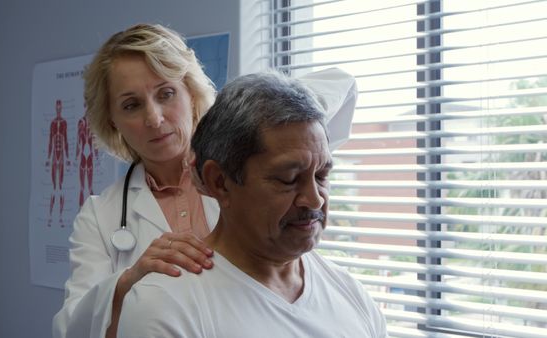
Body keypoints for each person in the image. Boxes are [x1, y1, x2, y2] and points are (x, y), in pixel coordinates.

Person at [118, 71, 388, 337]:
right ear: (220, 182)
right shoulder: (165, 307)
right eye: (289, 179)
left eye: (321, 176)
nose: (315, 198)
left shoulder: (351, 295)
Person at [52, 23, 218, 338]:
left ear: (191, 93)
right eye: (131, 105)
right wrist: (130, 278)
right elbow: (69, 330)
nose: (154, 118)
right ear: (112, 121)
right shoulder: (100, 217)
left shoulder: (241, 180)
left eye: (166, 94)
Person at [46, 99, 70, 227]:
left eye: (60, 107)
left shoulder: (64, 123)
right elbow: (51, 140)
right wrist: (48, 158)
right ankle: (50, 216)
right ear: (56, 108)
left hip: (61, 159)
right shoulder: (53, 123)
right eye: (57, 107)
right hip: (54, 158)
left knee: (60, 188)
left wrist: (68, 157)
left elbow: (65, 140)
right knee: (53, 188)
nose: (59, 109)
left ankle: (60, 217)